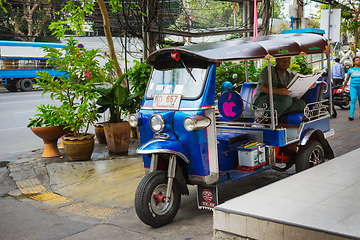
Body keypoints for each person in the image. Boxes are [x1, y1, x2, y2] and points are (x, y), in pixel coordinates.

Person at [341, 56, 360, 121]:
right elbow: (346, 80)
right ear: (354, 62)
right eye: (357, 60)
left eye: (359, 60)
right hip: (353, 87)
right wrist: (343, 88)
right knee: (353, 100)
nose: (358, 61)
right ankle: (351, 115)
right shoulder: (351, 70)